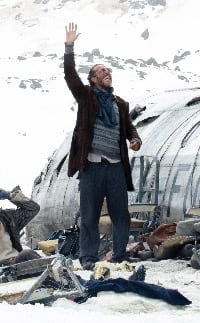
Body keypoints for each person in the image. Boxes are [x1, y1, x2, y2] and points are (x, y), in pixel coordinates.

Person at [63, 22, 142, 269]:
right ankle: (88, 258)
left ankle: (119, 254)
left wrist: (135, 139)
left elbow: (128, 127)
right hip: (92, 166)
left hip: (115, 167)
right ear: (93, 79)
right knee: (90, 216)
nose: (107, 72)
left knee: (121, 214)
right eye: (101, 71)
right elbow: (70, 76)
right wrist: (69, 47)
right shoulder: (86, 97)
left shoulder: (120, 104)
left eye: (108, 70)